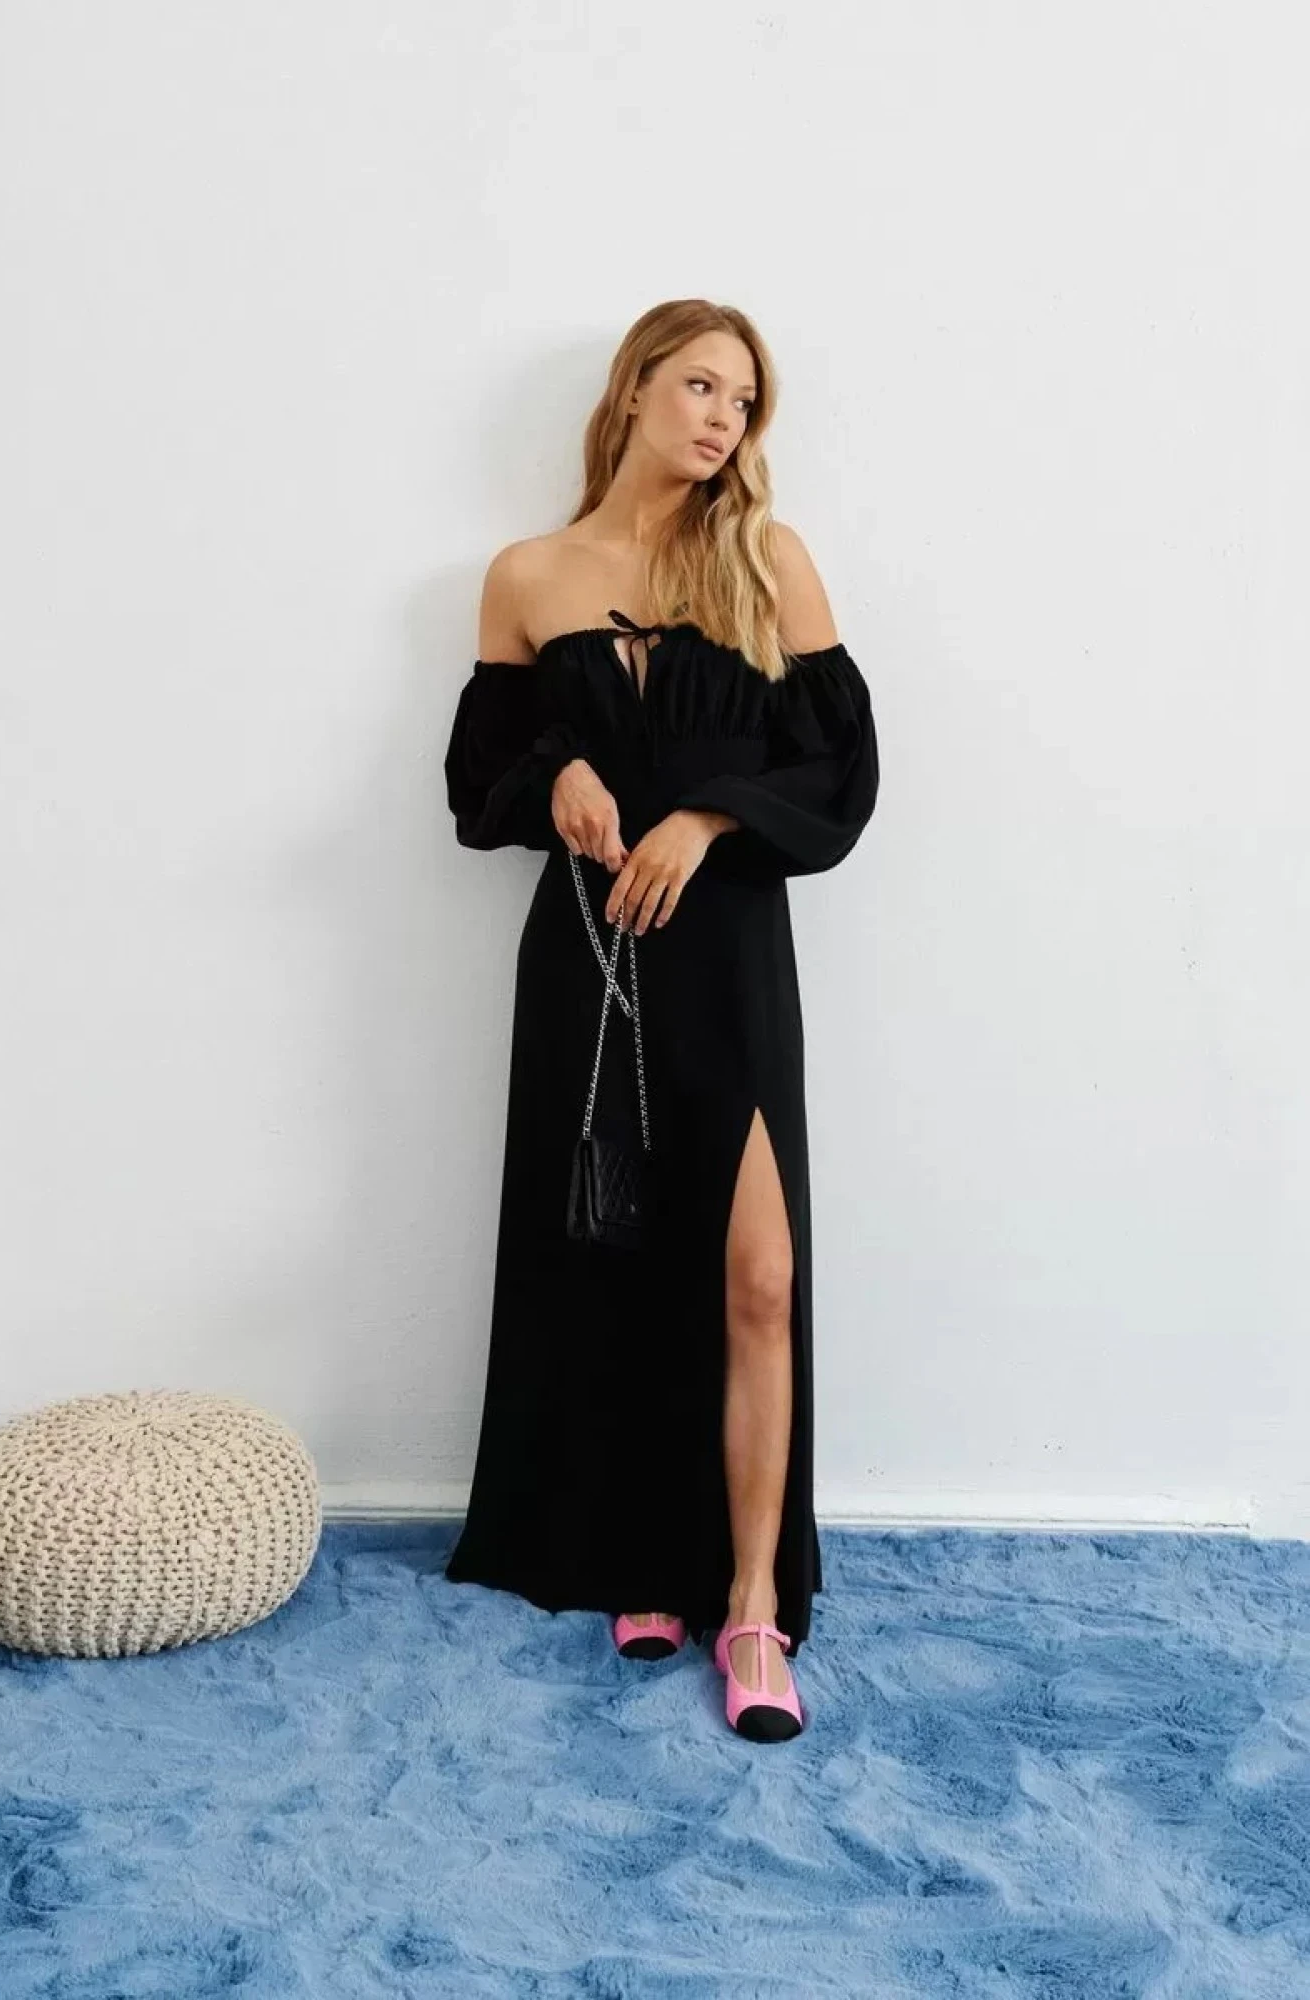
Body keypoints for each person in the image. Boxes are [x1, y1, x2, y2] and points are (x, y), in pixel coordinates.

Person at [442, 297, 880, 1741]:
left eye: (744, 403)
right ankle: (641, 1559)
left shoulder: (765, 558)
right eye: (700, 386)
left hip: (730, 956)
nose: (722, 420)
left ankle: (750, 1603)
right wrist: (560, 771)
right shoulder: (527, 575)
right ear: (635, 387)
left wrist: (705, 816)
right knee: (616, 1262)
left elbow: (841, 772)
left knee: (759, 1276)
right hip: (590, 960)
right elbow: (478, 783)